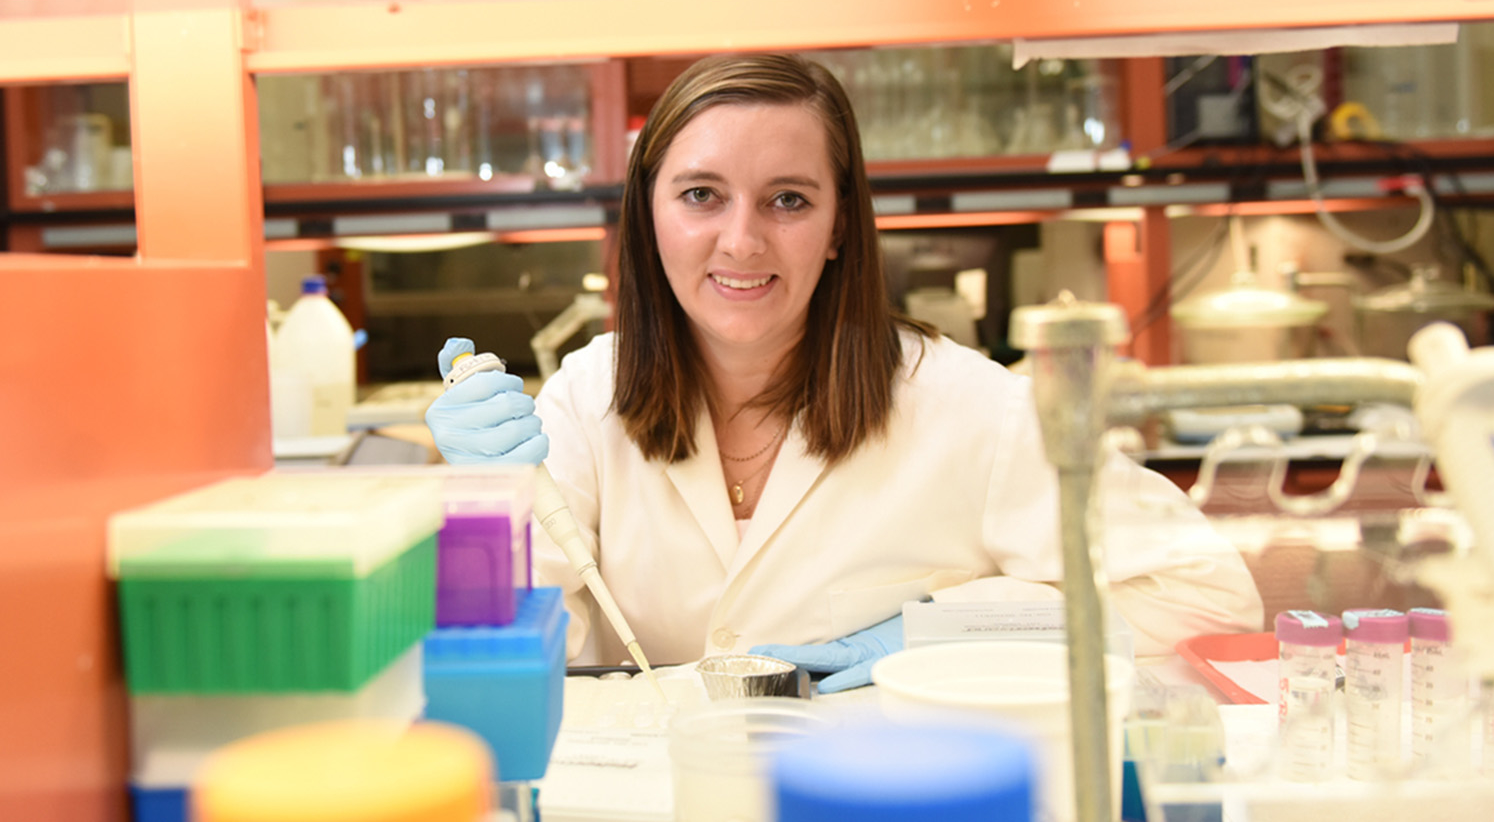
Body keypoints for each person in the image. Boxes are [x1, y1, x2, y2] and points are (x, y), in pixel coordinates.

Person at [426, 53, 1263, 692]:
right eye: (701, 196)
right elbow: (543, 650)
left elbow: (1206, 593)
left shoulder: (970, 407)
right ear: (648, 219)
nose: (743, 241)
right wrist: (479, 517)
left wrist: (936, 635)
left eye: (788, 199)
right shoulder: (587, 397)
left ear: (837, 226)